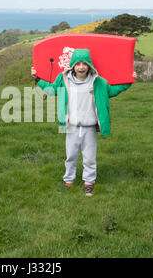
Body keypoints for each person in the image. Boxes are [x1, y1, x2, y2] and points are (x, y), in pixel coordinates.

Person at [31, 49, 136, 197]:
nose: (81, 67)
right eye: (78, 64)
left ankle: (89, 183)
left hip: (89, 128)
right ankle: (68, 181)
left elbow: (112, 90)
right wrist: (37, 79)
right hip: (71, 126)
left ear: (90, 66)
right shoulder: (63, 79)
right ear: (72, 65)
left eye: (84, 64)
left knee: (89, 157)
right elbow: (51, 90)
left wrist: (129, 81)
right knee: (71, 156)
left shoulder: (98, 82)